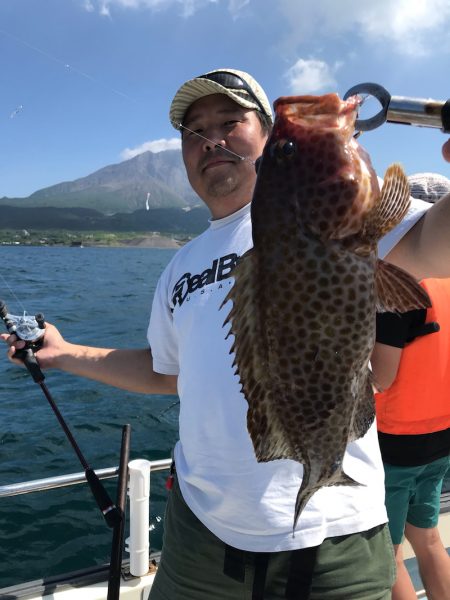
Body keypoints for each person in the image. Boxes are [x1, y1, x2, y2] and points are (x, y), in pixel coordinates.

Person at [2, 68, 450, 600]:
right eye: (194, 132)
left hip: (338, 540)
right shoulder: (180, 264)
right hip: (198, 538)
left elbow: (433, 243)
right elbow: (165, 372)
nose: (211, 139)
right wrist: (65, 353)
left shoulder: (342, 217)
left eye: (230, 120)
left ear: (262, 138)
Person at [371, 174, 450, 600]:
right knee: (430, 539)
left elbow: (381, 378)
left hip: (397, 443)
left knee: (389, 553)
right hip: (442, 438)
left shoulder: (398, 284)